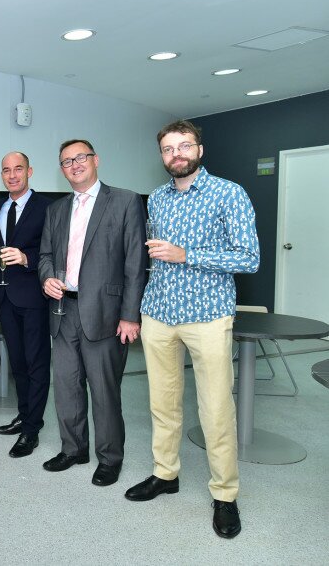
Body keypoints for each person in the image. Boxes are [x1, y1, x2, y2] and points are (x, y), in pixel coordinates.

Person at [125, 120, 259, 539]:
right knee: (162, 405)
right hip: (160, 312)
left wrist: (188, 254)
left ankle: (225, 495)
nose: (175, 154)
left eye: (183, 146)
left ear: (199, 150)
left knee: (216, 409)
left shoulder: (229, 193)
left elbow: (249, 258)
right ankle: (166, 475)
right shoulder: (158, 200)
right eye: (167, 149)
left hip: (208, 315)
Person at [38, 140, 147, 487]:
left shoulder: (126, 201)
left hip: (106, 313)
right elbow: (44, 256)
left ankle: (110, 458)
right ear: (61, 169)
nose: (74, 165)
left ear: (96, 160)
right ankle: (73, 449)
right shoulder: (56, 210)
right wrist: (46, 278)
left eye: (80, 158)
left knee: (104, 391)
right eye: (67, 161)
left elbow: (135, 263)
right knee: (67, 388)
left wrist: (131, 316)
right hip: (63, 310)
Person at [0, 151, 52, 458]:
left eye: (18, 169)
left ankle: (32, 429)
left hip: (34, 297)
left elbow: (55, 251)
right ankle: (24, 415)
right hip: (5, 298)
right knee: (18, 364)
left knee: (37, 364)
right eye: (6, 170)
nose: (12, 175)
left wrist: (27, 259)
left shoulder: (47, 209)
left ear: (30, 171)